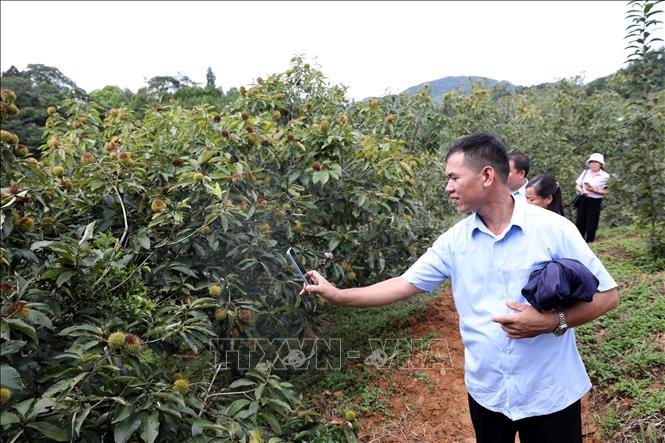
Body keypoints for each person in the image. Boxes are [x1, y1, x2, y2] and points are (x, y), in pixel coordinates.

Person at [302, 132, 618, 443]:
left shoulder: (552, 229)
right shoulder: (455, 242)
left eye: (454, 177)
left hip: (550, 392)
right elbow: (403, 284)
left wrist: (551, 322)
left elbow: (607, 296)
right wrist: (338, 295)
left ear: (487, 175)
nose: (448, 187)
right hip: (488, 394)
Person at [574, 153, 609, 243]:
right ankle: (579, 242)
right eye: (591, 162)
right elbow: (577, 185)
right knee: (580, 221)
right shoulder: (585, 172)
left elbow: (606, 191)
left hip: (595, 201)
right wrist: (582, 190)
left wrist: (595, 190)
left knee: (592, 222)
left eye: (595, 162)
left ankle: (590, 241)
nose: (593, 164)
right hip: (583, 198)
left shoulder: (605, 176)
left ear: (600, 164)